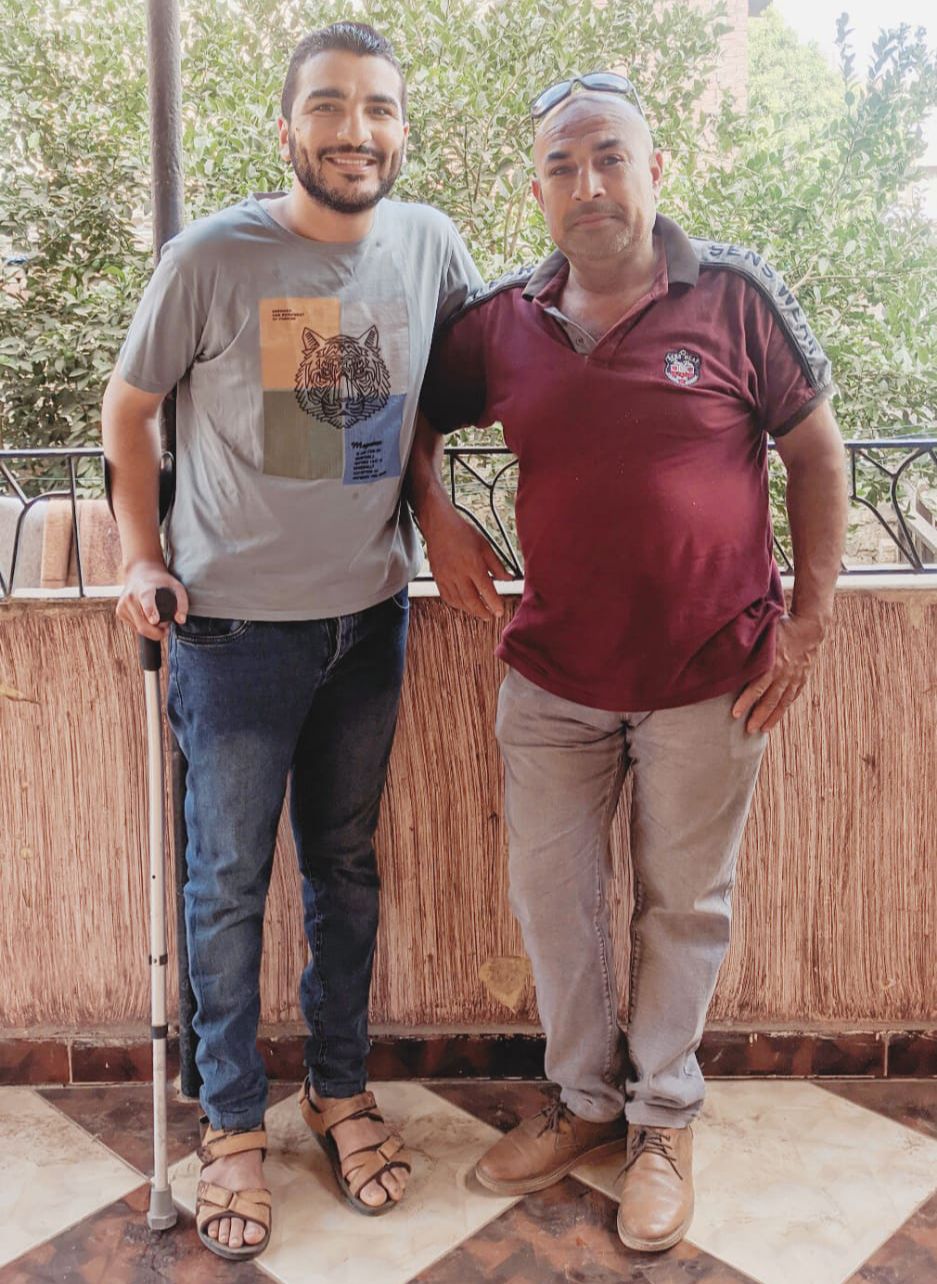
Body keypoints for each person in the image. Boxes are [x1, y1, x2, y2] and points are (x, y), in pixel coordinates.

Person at [409, 73, 848, 1254]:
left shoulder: (735, 295)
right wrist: (435, 517)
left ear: (655, 171)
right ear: (537, 193)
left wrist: (808, 624)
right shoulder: (500, 320)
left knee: (682, 908)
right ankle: (582, 1102)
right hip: (552, 676)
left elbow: (817, 455)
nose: (588, 184)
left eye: (609, 158)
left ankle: (661, 1121)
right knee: (553, 906)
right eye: (562, 167)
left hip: (711, 676)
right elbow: (414, 421)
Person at [102, 22, 480, 1261]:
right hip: (230, 633)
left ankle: (336, 1088)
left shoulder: (429, 245)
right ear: (286, 128)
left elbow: (432, 398)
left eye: (377, 108)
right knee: (225, 886)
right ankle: (228, 1124)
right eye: (327, 106)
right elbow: (128, 408)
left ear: (401, 129)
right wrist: (140, 555)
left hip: (368, 621)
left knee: (345, 870)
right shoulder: (211, 257)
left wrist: (434, 508)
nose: (354, 130)